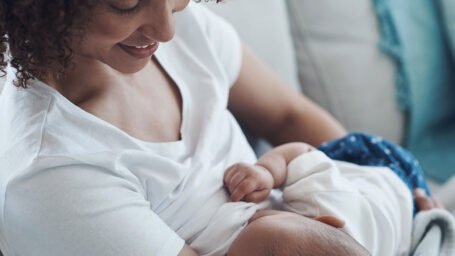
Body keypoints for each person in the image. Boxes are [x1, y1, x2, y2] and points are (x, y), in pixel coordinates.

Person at [0, 1, 439, 255]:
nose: (169, 28)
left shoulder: (172, 30)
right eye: (126, 2)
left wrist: (382, 188)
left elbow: (291, 116)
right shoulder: (51, 173)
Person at [224, 133, 442, 255]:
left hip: (396, 225)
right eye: (258, 220)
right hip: (394, 175)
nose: (250, 217)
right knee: (319, 158)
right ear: (322, 220)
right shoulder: (320, 197)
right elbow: (301, 151)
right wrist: (267, 172)